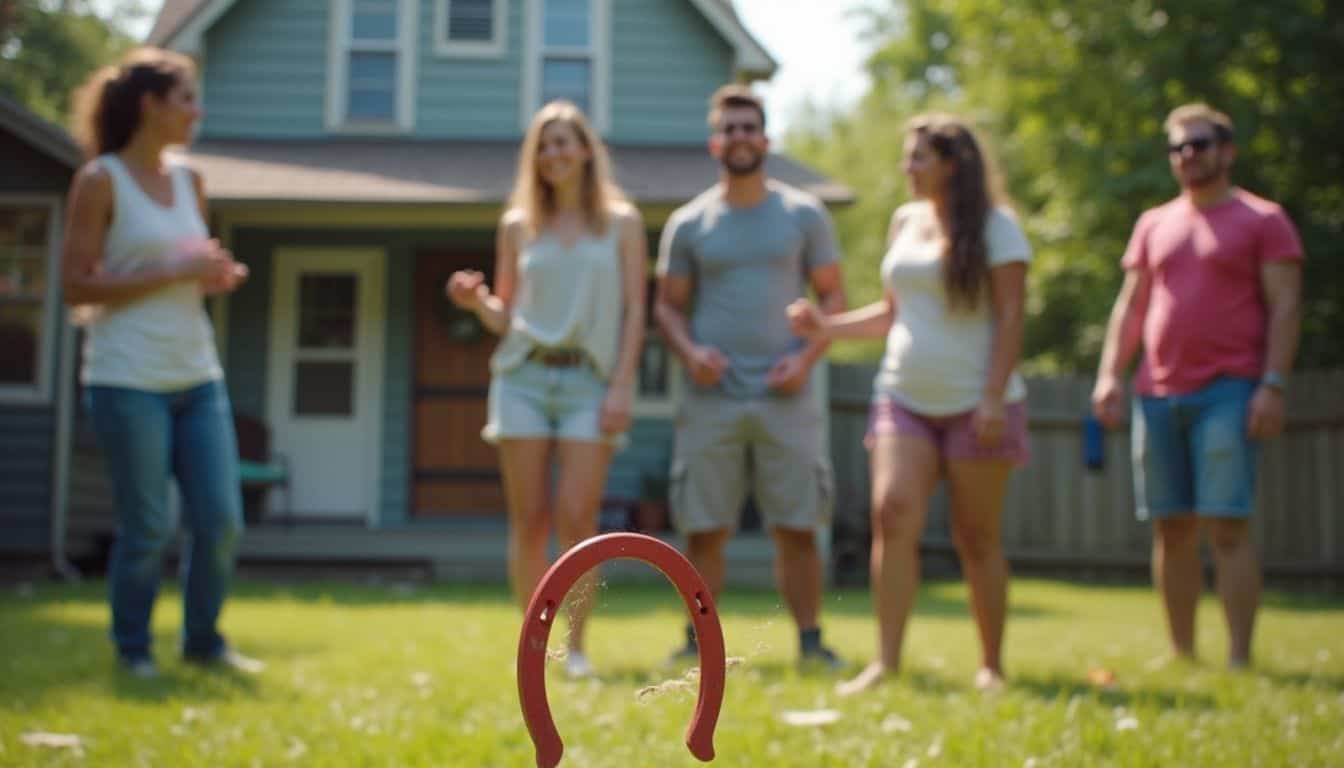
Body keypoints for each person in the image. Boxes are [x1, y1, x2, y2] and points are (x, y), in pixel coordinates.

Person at [791, 114, 1032, 693]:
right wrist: (825, 326)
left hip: (978, 401)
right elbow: (893, 313)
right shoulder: (905, 221)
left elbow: (1011, 315)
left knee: (976, 536)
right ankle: (887, 662)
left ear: (953, 164)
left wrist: (993, 396)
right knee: (892, 513)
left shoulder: (998, 228)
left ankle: (991, 666)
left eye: (918, 157)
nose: (907, 167)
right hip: (903, 396)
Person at [62, 48, 259, 678]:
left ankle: (204, 641)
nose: (198, 111)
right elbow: (76, 287)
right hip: (126, 378)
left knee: (221, 520)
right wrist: (174, 270)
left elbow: (184, 270)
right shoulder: (101, 180)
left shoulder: (190, 181)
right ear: (151, 104)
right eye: (187, 99)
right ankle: (134, 649)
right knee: (146, 526)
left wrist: (212, 275)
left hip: (197, 374)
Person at [1091, 103, 1303, 669]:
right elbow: (1131, 306)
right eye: (1178, 148)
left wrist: (1273, 384)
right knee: (1171, 527)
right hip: (1157, 393)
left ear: (1227, 151)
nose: (1188, 156)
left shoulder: (1264, 220)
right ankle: (1182, 653)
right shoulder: (1154, 224)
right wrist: (1110, 373)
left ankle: (1238, 658)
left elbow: (1285, 307)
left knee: (1227, 525)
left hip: (1230, 390)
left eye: (1200, 144)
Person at [446, 100, 646, 678]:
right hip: (522, 379)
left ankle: (578, 648)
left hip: (590, 381)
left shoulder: (622, 222)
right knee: (529, 522)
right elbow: (505, 314)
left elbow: (637, 309)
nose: (554, 153)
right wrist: (475, 302)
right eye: (544, 144)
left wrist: (622, 386)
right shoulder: (517, 225)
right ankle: (535, 650)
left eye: (564, 142)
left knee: (577, 518)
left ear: (586, 150)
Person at [654, 85, 846, 668]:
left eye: (750, 127)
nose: (740, 138)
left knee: (796, 529)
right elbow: (666, 306)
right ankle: (697, 646)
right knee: (705, 530)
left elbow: (834, 296)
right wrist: (691, 354)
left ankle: (811, 645)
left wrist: (806, 360)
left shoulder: (802, 213)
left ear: (765, 138)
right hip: (711, 399)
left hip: (787, 397)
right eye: (730, 129)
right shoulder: (689, 224)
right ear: (716, 142)